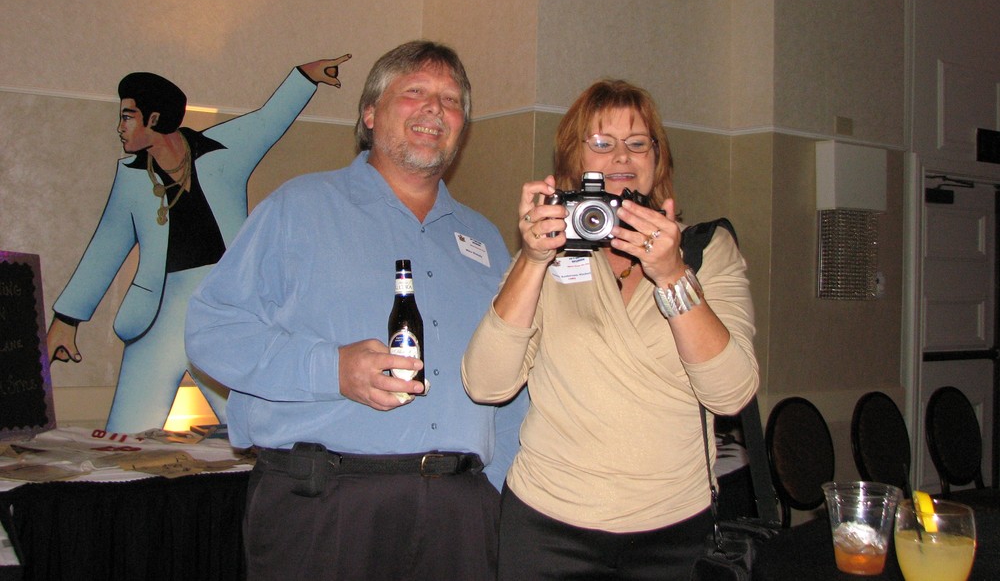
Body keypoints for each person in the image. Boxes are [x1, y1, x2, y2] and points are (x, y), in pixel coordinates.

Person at [185, 40, 527, 581]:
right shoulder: (299, 208)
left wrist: (497, 489)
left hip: (460, 517)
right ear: (369, 113)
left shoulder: (484, 238)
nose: (435, 109)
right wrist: (331, 369)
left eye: (451, 100)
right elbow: (211, 331)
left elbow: (511, 379)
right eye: (414, 92)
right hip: (326, 508)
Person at [461, 79, 759, 580]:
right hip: (547, 526)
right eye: (601, 142)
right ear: (573, 160)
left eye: (637, 142)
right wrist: (532, 259)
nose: (621, 155)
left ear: (657, 158)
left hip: (674, 529)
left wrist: (671, 275)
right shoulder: (550, 252)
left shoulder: (704, 251)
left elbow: (731, 394)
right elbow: (486, 384)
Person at [46, 56, 349, 433]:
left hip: (227, 310)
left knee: (258, 431)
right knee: (128, 434)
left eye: (127, 116)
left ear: (154, 118)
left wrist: (305, 77)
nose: (120, 127)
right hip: (158, 314)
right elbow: (106, 246)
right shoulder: (131, 177)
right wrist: (67, 319)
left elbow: (268, 120)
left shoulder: (224, 149)